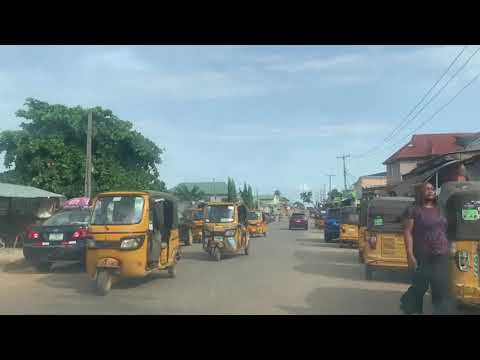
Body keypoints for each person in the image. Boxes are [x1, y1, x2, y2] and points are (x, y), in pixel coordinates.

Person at [400, 182, 451, 315]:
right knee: (420, 287)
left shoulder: (441, 208)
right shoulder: (413, 210)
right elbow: (407, 232)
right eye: (427, 189)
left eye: (432, 189)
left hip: (441, 254)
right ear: (420, 193)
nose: (431, 191)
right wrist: (410, 255)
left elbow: (447, 229)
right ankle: (410, 306)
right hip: (423, 255)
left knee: (440, 287)